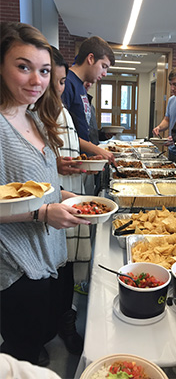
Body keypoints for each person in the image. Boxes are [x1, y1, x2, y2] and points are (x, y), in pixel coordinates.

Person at [0, 22, 90, 365]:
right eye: (23, 67)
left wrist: (67, 197)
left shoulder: (35, 118)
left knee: (42, 336)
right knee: (22, 349)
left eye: (44, 70)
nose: (36, 80)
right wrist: (42, 213)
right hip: (16, 259)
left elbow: (40, 184)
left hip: (49, 252)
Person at [51, 46, 94, 355]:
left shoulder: (59, 108)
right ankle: (39, 332)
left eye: (60, 81)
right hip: (46, 205)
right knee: (51, 270)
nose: (56, 88)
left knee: (64, 268)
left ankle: (64, 321)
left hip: (64, 193)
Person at [61, 36, 115, 165]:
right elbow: (62, 133)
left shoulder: (80, 86)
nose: (105, 73)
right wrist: (97, 149)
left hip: (82, 160)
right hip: (70, 160)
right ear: (90, 59)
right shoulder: (67, 83)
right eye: (103, 66)